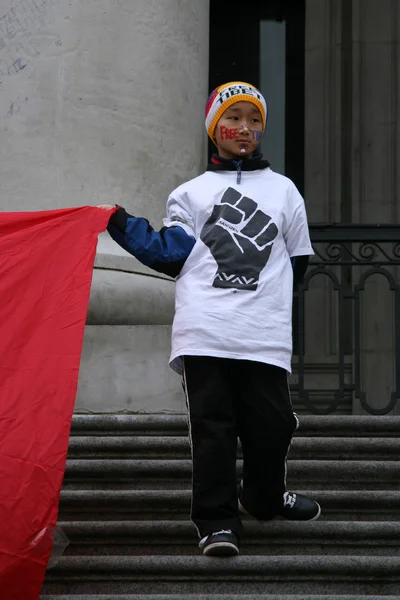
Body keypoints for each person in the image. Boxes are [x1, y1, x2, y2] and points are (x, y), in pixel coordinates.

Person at [98, 81, 320, 557]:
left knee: (274, 424)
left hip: (262, 335)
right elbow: (169, 252)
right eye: (234, 118)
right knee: (214, 430)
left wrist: (264, 302)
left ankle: (261, 496)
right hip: (205, 333)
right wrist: (119, 221)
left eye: (254, 120)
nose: (245, 128)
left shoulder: (285, 191)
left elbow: (296, 261)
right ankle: (216, 522)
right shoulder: (191, 193)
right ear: (214, 128)